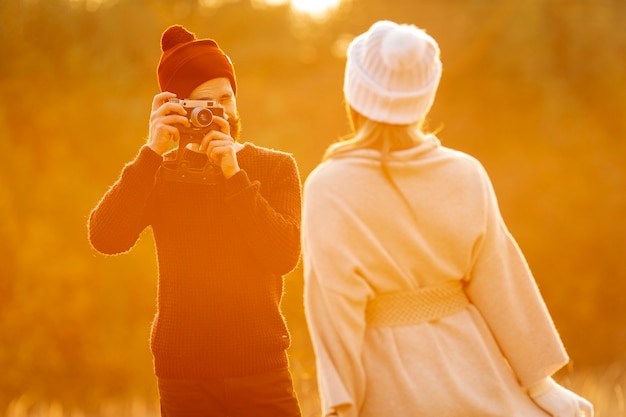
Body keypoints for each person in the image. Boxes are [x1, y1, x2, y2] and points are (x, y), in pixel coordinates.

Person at [302, 20, 593, 417]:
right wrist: (540, 384)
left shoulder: (328, 185)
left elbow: (334, 307)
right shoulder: (466, 171)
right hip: (475, 374)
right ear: (425, 96)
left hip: (388, 389)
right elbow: (499, 279)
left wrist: (341, 405)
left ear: (354, 93)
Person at [88, 24, 302, 417]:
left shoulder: (274, 168)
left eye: (226, 98)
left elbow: (284, 254)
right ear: (178, 109)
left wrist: (234, 176)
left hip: (261, 370)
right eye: (204, 103)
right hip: (184, 377)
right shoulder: (158, 171)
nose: (219, 111)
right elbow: (105, 236)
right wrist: (152, 151)